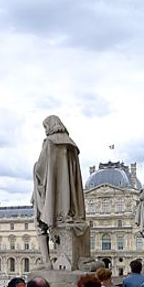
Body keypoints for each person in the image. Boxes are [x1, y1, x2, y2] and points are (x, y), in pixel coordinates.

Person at [32, 115, 87, 269]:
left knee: (40, 224)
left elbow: (41, 170)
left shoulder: (50, 142)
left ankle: (47, 262)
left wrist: (34, 167)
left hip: (53, 194)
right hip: (70, 199)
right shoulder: (71, 145)